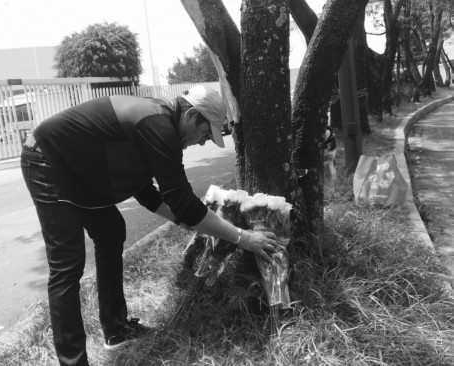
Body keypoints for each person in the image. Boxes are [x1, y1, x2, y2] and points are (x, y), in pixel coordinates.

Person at [20, 85, 282, 366]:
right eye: (206, 134)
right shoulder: (159, 126)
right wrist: (243, 238)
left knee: (110, 232)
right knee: (67, 265)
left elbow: (146, 192)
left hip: (82, 170)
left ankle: (116, 329)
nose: (203, 142)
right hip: (48, 161)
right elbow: (184, 203)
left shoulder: (161, 123)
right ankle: (72, 361)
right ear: (191, 115)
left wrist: (188, 222)